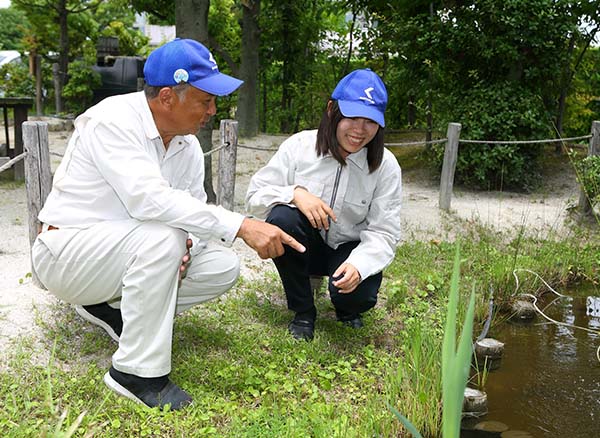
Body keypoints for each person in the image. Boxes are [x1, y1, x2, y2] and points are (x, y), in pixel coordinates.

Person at [31, 38, 304, 410]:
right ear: (166, 98)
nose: (212, 110)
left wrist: (189, 243)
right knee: (162, 237)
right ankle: (135, 374)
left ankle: (107, 306)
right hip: (65, 256)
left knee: (223, 267)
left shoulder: (187, 146)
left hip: (122, 255)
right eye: (205, 100)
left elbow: (191, 209)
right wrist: (242, 226)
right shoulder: (111, 121)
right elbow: (149, 200)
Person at [245, 68, 402, 341]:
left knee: (357, 297)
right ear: (332, 109)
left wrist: (359, 266)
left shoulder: (386, 165)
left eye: (370, 121)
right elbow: (254, 197)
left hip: (349, 250)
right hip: (307, 247)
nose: (360, 130)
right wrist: (295, 193)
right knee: (283, 218)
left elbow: (384, 232)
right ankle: (303, 311)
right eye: (352, 117)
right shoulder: (299, 146)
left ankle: (347, 310)